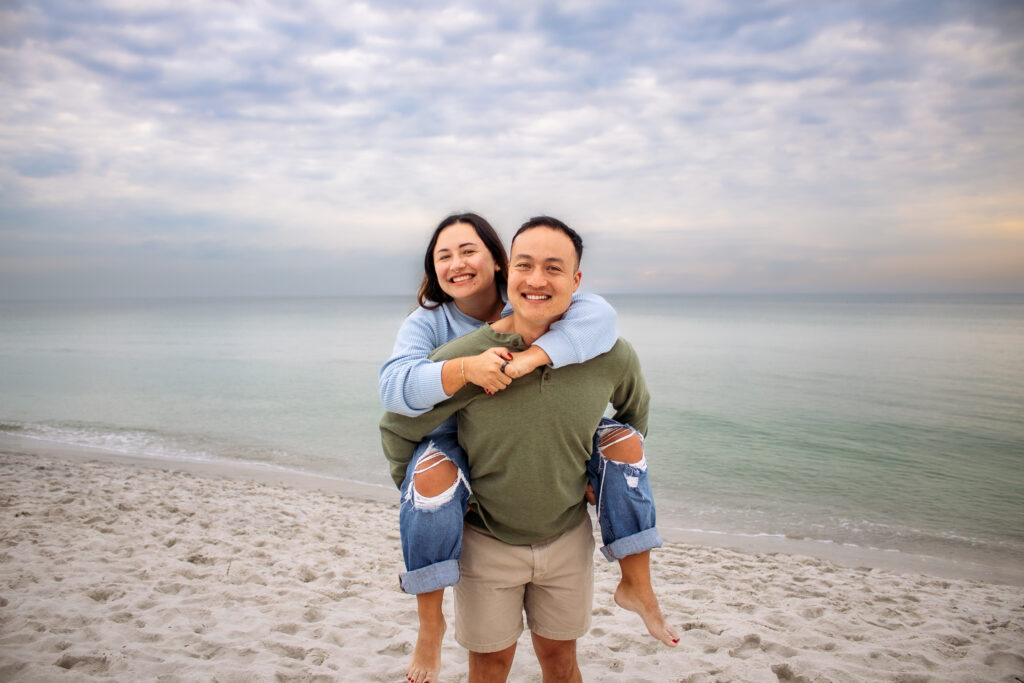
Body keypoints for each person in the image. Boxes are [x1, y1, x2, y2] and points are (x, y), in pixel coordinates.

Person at [381, 217, 676, 682]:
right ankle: (428, 620)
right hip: (483, 527)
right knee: (491, 664)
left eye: (553, 269)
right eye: (444, 256)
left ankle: (637, 580)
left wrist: (601, 476)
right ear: (511, 269)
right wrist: (424, 493)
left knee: (561, 663)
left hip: (564, 533)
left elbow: (633, 411)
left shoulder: (597, 339)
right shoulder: (453, 343)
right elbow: (397, 412)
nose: (537, 280)